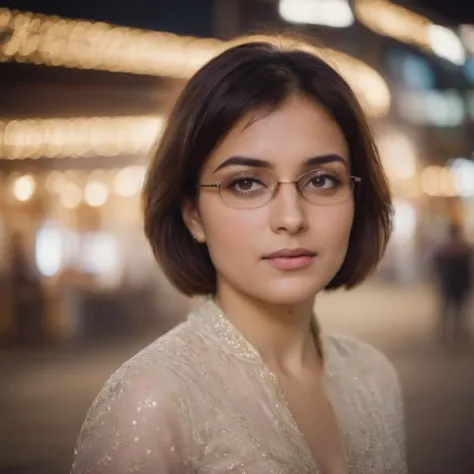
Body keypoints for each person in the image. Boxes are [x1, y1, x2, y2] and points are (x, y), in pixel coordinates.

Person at [71, 38, 406, 473]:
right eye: (246, 183)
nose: (291, 218)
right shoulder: (153, 399)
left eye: (322, 180)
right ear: (192, 213)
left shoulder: (375, 377)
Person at [432, 221, 473, 343]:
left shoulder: (462, 248)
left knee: (458, 310)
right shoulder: (448, 248)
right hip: (450, 283)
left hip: (457, 283)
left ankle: (456, 333)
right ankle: (446, 333)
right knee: (449, 309)